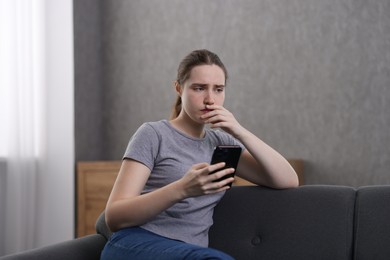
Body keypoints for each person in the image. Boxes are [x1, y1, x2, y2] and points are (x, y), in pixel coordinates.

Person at [101, 49, 299, 260]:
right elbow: (114, 217)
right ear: (178, 88)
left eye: (218, 89)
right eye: (199, 88)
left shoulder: (222, 143)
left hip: (189, 252)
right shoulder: (153, 134)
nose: (210, 99)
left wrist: (239, 131)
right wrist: (183, 189)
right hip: (136, 242)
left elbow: (288, 180)